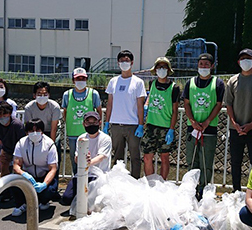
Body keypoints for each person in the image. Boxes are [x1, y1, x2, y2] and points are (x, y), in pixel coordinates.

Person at [183, 53, 225, 196]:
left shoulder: (218, 83)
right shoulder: (190, 83)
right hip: (192, 128)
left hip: (209, 128)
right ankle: (191, 190)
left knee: (206, 162)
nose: (203, 67)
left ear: (212, 66)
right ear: (197, 66)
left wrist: (207, 121)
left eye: (207, 64)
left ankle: (204, 189)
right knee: (191, 160)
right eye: (201, 64)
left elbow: (219, 104)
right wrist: (193, 122)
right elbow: (186, 103)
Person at [224, 48, 252, 191]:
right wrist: (234, 124)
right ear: (238, 62)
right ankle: (236, 190)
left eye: (248, 58)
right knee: (235, 162)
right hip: (235, 128)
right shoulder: (232, 80)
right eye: (242, 59)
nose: (245, 61)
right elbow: (228, 103)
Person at [104, 50, 147, 178]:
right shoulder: (113, 81)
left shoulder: (138, 82)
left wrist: (140, 124)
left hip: (133, 125)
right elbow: (110, 104)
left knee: (135, 156)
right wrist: (107, 123)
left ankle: (135, 180)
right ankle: (118, 180)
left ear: (132, 62)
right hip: (116, 124)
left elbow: (140, 106)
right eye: (122, 61)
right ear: (118, 63)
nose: (124, 63)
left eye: (127, 60)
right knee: (117, 156)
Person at [11, 119, 60, 216]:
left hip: (43, 175)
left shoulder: (49, 144)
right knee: (14, 182)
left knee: (50, 190)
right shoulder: (21, 143)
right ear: (26, 132)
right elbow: (16, 165)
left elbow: (53, 168)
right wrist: (24, 174)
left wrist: (44, 184)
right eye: (31, 131)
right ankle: (21, 204)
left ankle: (44, 202)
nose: (34, 133)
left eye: (37, 130)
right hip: (27, 175)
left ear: (42, 131)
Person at [61, 112, 112, 206]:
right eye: (88, 122)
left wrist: (89, 162)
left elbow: (101, 156)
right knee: (66, 198)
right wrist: (80, 160)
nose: (91, 125)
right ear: (84, 124)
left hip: (99, 175)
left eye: (94, 122)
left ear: (99, 123)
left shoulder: (106, 138)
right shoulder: (81, 138)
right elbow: (77, 157)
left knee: (92, 203)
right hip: (82, 173)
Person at [142, 57, 179, 179]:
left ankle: (162, 183)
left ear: (168, 70)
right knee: (147, 157)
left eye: (164, 67)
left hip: (165, 127)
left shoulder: (174, 87)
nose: (161, 70)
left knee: (164, 157)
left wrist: (171, 129)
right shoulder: (152, 83)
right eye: (159, 67)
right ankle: (150, 182)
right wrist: (146, 106)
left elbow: (174, 111)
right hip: (151, 125)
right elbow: (149, 97)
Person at [62, 68, 103, 176]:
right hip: (73, 134)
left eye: (83, 78)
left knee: (91, 158)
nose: (81, 80)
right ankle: (76, 181)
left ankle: (90, 180)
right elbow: (65, 112)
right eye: (78, 78)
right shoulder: (67, 94)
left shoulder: (94, 94)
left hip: (89, 134)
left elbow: (99, 111)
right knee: (74, 159)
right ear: (73, 80)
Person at [24, 81, 63, 174]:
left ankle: (54, 182)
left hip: (51, 131)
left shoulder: (54, 107)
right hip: (35, 131)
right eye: (39, 94)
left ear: (49, 95)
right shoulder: (29, 107)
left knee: (54, 156)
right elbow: (28, 126)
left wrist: (51, 145)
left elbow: (54, 128)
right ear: (34, 95)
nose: (42, 96)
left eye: (45, 94)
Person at [0, 101, 26, 181]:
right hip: (6, 149)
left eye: (5, 114)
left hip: (19, 150)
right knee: (4, 169)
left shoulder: (17, 125)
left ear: (10, 113)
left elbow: (23, 143)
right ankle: (5, 188)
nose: (2, 117)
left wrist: (19, 157)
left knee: (18, 170)